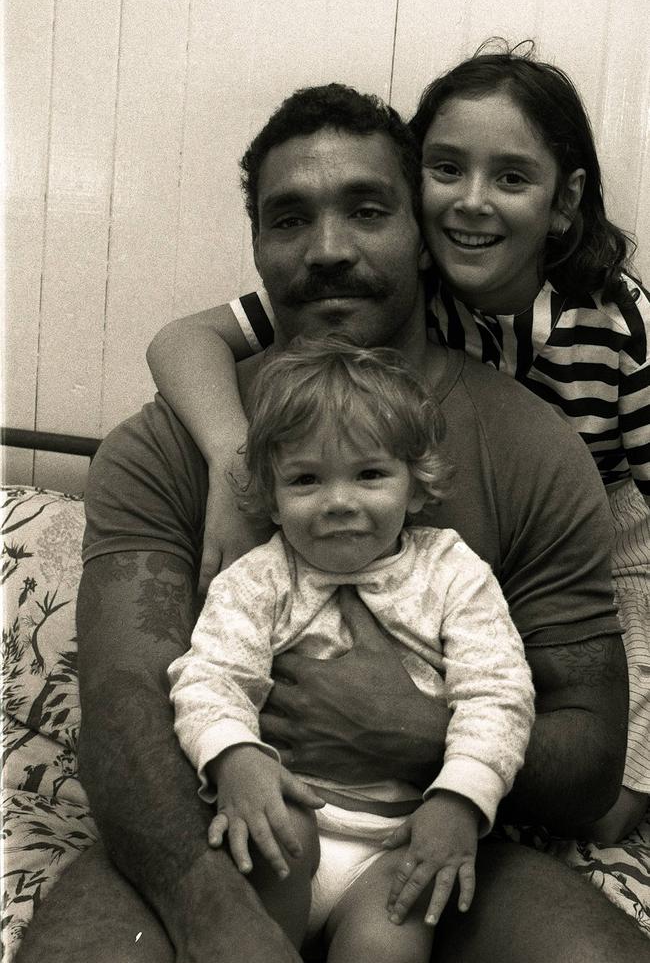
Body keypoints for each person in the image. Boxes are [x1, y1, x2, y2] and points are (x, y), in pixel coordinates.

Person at [16, 82, 648, 963]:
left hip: (439, 842)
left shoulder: (532, 447)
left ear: (422, 239)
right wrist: (219, 923)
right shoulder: (166, 445)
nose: (327, 249)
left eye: (367, 210)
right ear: (258, 247)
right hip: (208, 827)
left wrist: (420, 733)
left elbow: (588, 758)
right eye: (288, 219)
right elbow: (126, 709)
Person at [147, 44, 650, 845]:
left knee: (613, 812)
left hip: (623, 513)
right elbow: (181, 339)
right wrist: (235, 461)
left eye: (512, 178)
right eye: (448, 171)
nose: (473, 204)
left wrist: (417, 732)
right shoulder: (384, 287)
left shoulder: (612, 322)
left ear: (564, 201)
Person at [168, 336, 536, 962]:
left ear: (416, 487)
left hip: (401, 844)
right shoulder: (259, 579)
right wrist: (233, 757)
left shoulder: (453, 574)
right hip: (282, 825)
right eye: (306, 479)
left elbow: (499, 693)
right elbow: (210, 678)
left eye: (369, 475)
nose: (339, 502)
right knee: (260, 882)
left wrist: (460, 799)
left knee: (386, 950)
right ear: (272, 499)